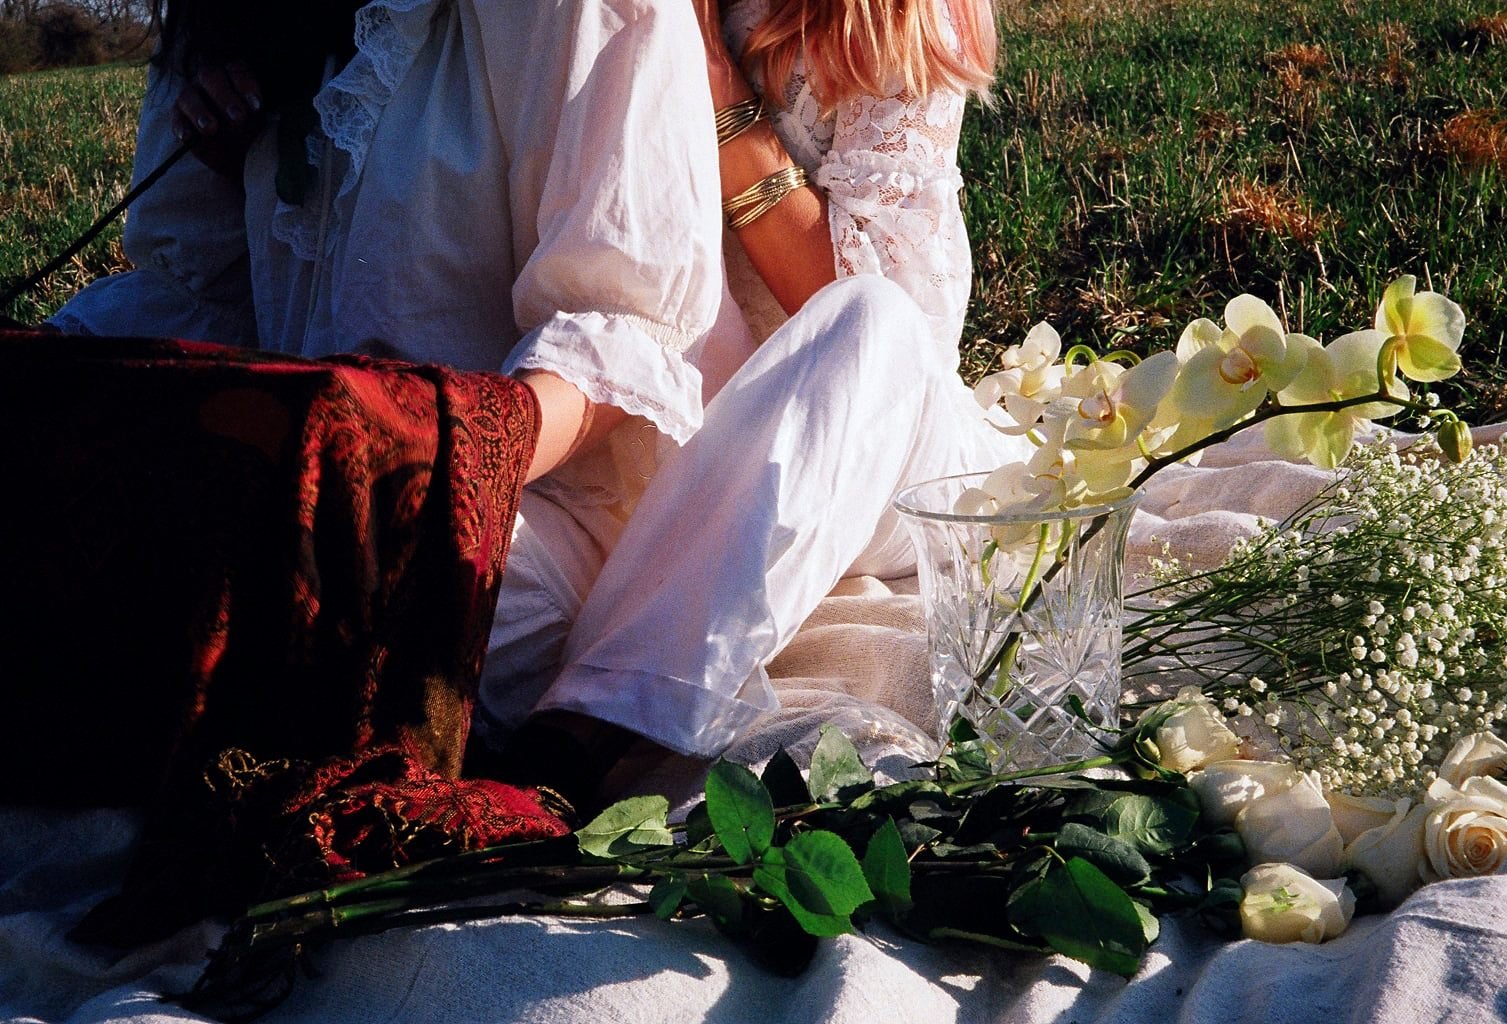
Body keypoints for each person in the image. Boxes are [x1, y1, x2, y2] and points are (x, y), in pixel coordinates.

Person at [49, 0, 1022, 796]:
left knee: (869, 333)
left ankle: (586, 736)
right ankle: (568, 679)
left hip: (866, 434)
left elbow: (910, 319)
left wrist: (720, 109)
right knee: (438, 586)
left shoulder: (873, 12)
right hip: (690, 438)